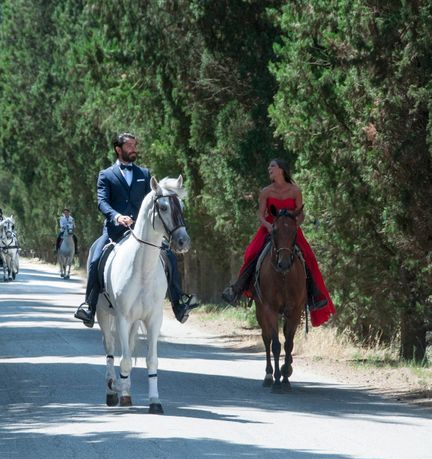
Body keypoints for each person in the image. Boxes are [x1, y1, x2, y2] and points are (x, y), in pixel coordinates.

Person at [74, 132, 199, 327]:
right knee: (96, 257)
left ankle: (178, 303)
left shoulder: (145, 174)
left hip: (142, 231)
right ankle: (89, 307)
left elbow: (153, 201)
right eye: (130, 146)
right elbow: (102, 202)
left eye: (135, 145)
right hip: (114, 231)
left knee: (170, 257)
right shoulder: (106, 175)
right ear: (119, 149)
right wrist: (116, 216)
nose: (134, 149)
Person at [221, 158, 335, 327]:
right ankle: (237, 289)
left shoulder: (295, 190)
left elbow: (300, 213)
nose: (269, 169)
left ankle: (314, 297)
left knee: (308, 257)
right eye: (269, 167)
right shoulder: (266, 191)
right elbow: (261, 214)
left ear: (281, 169)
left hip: (289, 230)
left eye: (272, 166)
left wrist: (295, 224)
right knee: (252, 254)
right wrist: (268, 225)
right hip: (270, 229)